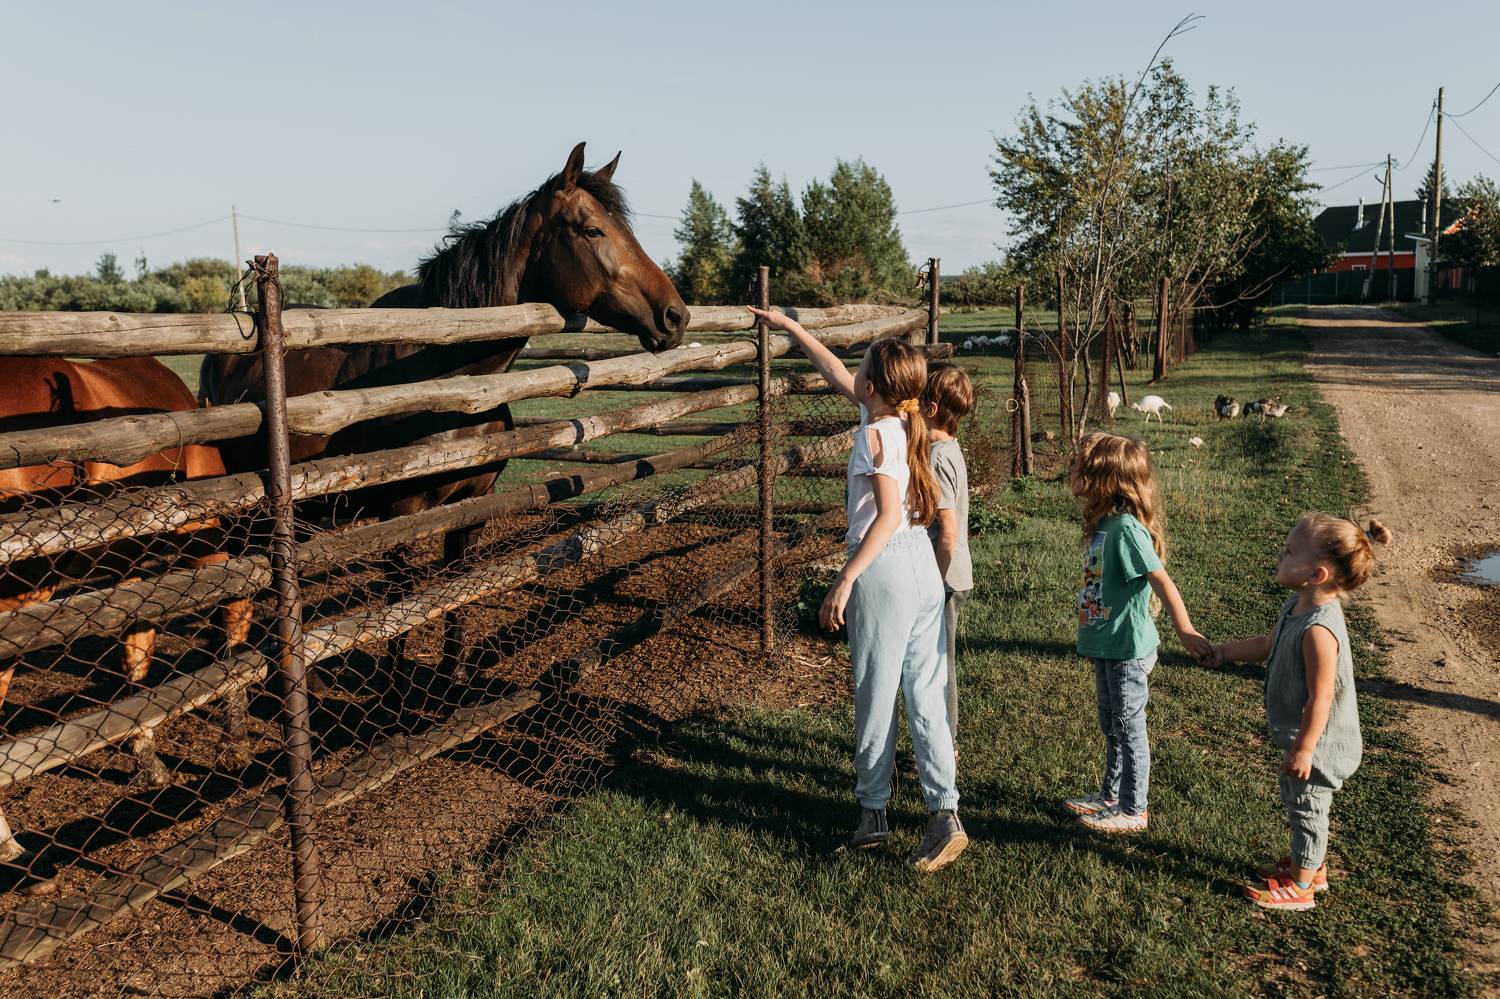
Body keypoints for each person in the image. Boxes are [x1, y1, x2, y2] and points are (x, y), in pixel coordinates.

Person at [749, 308, 965, 873]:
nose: (854, 373)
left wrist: (845, 579)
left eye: (861, 366)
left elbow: (886, 515)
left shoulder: (873, 433)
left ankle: (872, 812)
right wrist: (792, 329)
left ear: (872, 386)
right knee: (925, 692)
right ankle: (944, 813)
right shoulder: (904, 420)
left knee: (875, 692)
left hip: (885, 568)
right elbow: (834, 372)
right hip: (922, 566)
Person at [1208, 513, 1390, 910]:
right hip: (1307, 739)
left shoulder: (1319, 631)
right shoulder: (1297, 605)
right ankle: (1310, 866)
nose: (1280, 555)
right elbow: (1267, 644)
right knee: (1298, 800)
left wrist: (1305, 749)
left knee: (1308, 808)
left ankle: (1303, 886)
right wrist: (1225, 653)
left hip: (1321, 745)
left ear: (1316, 574)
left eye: (1290, 552)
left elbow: (1321, 698)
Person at [1063, 432, 1212, 834]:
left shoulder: (1126, 530)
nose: (1071, 470)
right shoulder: (1104, 524)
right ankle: (1111, 796)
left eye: (1079, 465)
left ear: (1104, 479)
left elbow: (1161, 580)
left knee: (1129, 727)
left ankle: (1134, 809)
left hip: (1127, 648)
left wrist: (1185, 629)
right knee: (1112, 724)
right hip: (1108, 644)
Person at [920, 363, 975, 751]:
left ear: (932, 409)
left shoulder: (937, 458)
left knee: (940, 664)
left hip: (944, 577)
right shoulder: (949, 449)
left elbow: (948, 532)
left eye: (918, 401)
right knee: (939, 659)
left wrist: (932, 583)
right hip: (953, 573)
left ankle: (945, 744)